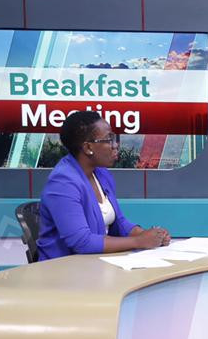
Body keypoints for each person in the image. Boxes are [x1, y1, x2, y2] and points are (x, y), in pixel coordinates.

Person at [37, 110, 170, 260]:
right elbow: (81, 242)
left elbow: (119, 222)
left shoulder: (101, 173)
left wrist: (151, 236)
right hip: (63, 268)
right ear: (88, 148)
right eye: (109, 139)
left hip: (95, 264)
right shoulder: (62, 184)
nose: (115, 145)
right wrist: (139, 241)